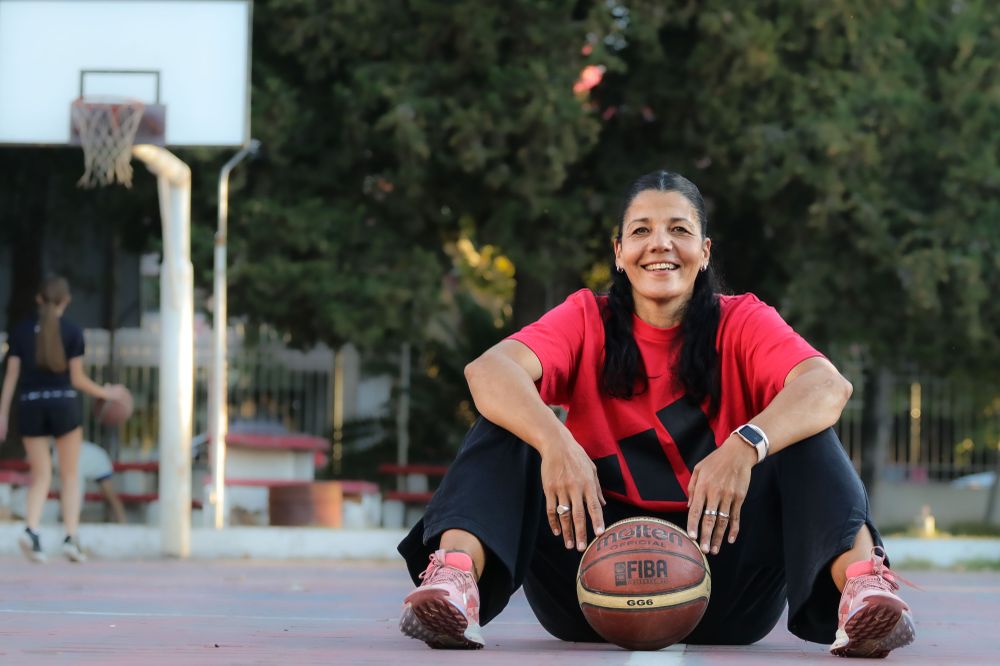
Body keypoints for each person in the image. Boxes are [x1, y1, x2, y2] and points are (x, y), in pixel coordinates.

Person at [396, 171, 915, 658]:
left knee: (805, 430)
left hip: (726, 587)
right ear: (619, 253)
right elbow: (489, 370)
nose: (660, 244)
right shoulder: (585, 318)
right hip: (588, 582)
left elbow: (828, 385)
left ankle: (862, 587)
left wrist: (745, 445)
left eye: (679, 230)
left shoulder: (744, 322)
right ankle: (455, 580)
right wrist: (556, 443)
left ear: (704, 251)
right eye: (641, 230)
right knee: (507, 420)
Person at [0, 275, 127, 563]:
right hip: (64, 406)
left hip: (30, 406)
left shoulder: (19, 332)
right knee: (69, 475)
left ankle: (32, 531)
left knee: (41, 475)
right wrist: (106, 393)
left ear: (38, 299)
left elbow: (11, 377)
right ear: (66, 302)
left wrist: (3, 414)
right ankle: (70, 537)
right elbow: (77, 378)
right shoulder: (72, 332)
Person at [51, 440, 128, 525]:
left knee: (109, 494)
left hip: (100, 462)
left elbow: (77, 486)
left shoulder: (62, 455)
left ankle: (122, 521)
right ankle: (120, 521)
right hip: (98, 458)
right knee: (109, 495)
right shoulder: (61, 452)